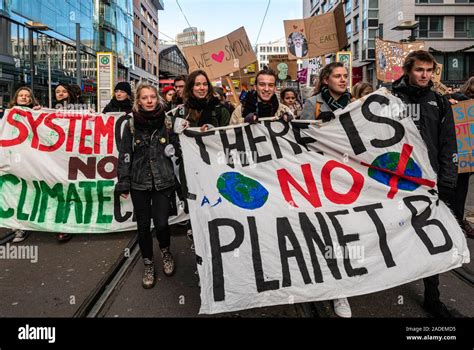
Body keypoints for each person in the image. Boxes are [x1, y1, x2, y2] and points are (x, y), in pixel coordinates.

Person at [392, 50, 458, 318]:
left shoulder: (439, 102)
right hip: (396, 182)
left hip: (430, 184)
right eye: (420, 70)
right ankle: (387, 279)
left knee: (432, 236)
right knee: (395, 233)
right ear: (408, 70)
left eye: (429, 71)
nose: (425, 75)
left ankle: (433, 296)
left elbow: (448, 143)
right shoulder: (389, 99)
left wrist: (447, 179)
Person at [299, 62, 353, 318]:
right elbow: (301, 142)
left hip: (350, 178)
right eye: (338, 76)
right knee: (326, 232)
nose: (343, 80)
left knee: (345, 233)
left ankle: (341, 288)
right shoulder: (313, 105)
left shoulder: (356, 105)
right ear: (326, 79)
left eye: (345, 76)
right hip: (321, 178)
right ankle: (332, 288)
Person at [116, 83, 177, 288]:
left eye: (152, 97)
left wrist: (174, 147)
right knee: (143, 226)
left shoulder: (168, 123)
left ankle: (166, 252)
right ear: (138, 101)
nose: (149, 101)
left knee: (161, 223)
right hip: (139, 183)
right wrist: (123, 183)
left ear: (158, 98)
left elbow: (180, 148)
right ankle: (148, 263)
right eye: (145, 98)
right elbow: (125, 155)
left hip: (163, 182)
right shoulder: (131, 125)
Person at [172, 70, 231, 244]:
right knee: (196, 209)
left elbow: (230, 138)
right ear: (191, 87)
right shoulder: (181, 112)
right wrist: (179, 131)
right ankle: (200, 248)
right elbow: (173, 141)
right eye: (197, 84)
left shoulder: (221, 110)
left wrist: (214, 133)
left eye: (205, 84)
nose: (202, 87)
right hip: (190, 170)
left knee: (217, 208)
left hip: (214, 169)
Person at [6, 87, 42, 243]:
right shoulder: (8, 114)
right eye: (21, 95)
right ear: (16, 97)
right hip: (13, 159)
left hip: (31, 159)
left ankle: (33, 221)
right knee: (14, 191)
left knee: (31, 190)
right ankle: (18, 227)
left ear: (31, 98)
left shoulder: (37, 113)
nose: (24, 98)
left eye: (27, 96)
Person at [450, 76, 474, 239]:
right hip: (459, 157)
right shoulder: (458, 103)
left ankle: (458, 221)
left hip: (463, 157)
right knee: (457, 194)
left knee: (459, 194)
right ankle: (456, 222)